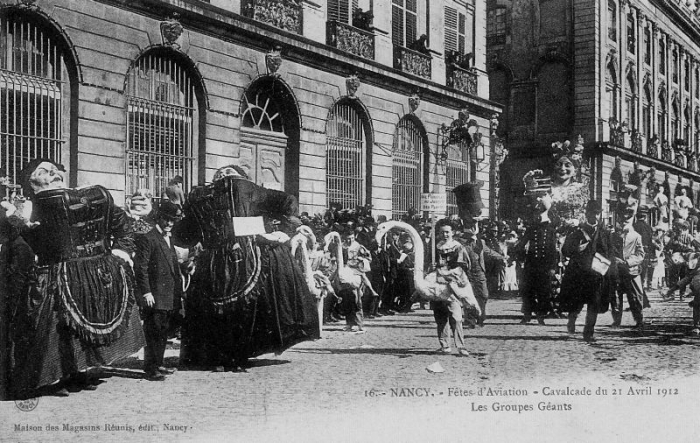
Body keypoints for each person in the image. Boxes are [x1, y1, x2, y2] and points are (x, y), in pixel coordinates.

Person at [14, 158, 145, 397]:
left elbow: (122, 223)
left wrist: (121, 251)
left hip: (93, 272)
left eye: (55, 169)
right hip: (55, 274)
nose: (53, 172)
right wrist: (20, 222)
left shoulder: (89, 198)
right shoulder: (27, 208)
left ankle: (79, 373)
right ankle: (56, 378)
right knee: (59, 330)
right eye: (43, 171)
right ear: (30, 182)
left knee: (84, 328)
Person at [175, 164, 319, 371]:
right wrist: (277, 227)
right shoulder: (251, 189)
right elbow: (288, 201)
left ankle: (215, 357)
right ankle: (237, 359)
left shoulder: (199, 196)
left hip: (211, 261)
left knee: (212, 311)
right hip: (244, 256)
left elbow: (185, 235)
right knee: (244, 309)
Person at [134, 201, 185, 381]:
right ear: (160, 217)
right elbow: (141, 268)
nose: (170, 224)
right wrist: (146, 292)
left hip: (168, 294)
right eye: (167, 220)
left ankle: (159, 363)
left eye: (173, 221)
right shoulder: (148, 238)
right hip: (155, 294)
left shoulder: (168, 237)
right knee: (153, 331)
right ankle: (151, 367)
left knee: (163, 331)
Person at [559, 200, 609, 342]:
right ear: (587, 215)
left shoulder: (604, 233)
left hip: (596, 274)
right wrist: (576, 249)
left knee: (594, 303)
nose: (596, 217)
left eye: (598, 214)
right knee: (576, 302)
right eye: (593, 214)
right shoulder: (576, 232)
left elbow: (609, 252)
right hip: (578, 274)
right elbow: (565, 250)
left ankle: (589, 332)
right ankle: (571, 321)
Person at [515, 171, 558, 325]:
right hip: (531, 263)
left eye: (542, 196)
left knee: (544, 291)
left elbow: (554, 249)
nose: (538, 200)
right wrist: (518, 257)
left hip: (545, 264)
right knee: (527, 290)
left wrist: (552, 266)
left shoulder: (551, 227)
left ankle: (540, 315)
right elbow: (522, 243)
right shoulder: (532, 226)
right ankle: (527, 314)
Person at [608, 185, 646, 329]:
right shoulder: (612, 235)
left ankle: (639, 320)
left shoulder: (636, 236)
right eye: (620, 218)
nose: (623, 219)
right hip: (617, 270)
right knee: (616, 296)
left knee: (636, 296)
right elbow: (608, 251)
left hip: (632, 270)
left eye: (627, 217)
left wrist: (628, 262)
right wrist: (613, 261)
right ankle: (616, 320)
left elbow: (641, 254)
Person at [431, 219, 470, 357]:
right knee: (440, 316)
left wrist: (448, 272)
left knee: (456, 316)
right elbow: (430, 263)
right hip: (438, 284)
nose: (445, 235)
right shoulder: (435, 246)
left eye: (447, 232)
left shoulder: (458, 247)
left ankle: (461, 346)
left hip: (452, 284)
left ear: (452, 232)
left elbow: (462, 265)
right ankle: (445, 345)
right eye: (442, 232)